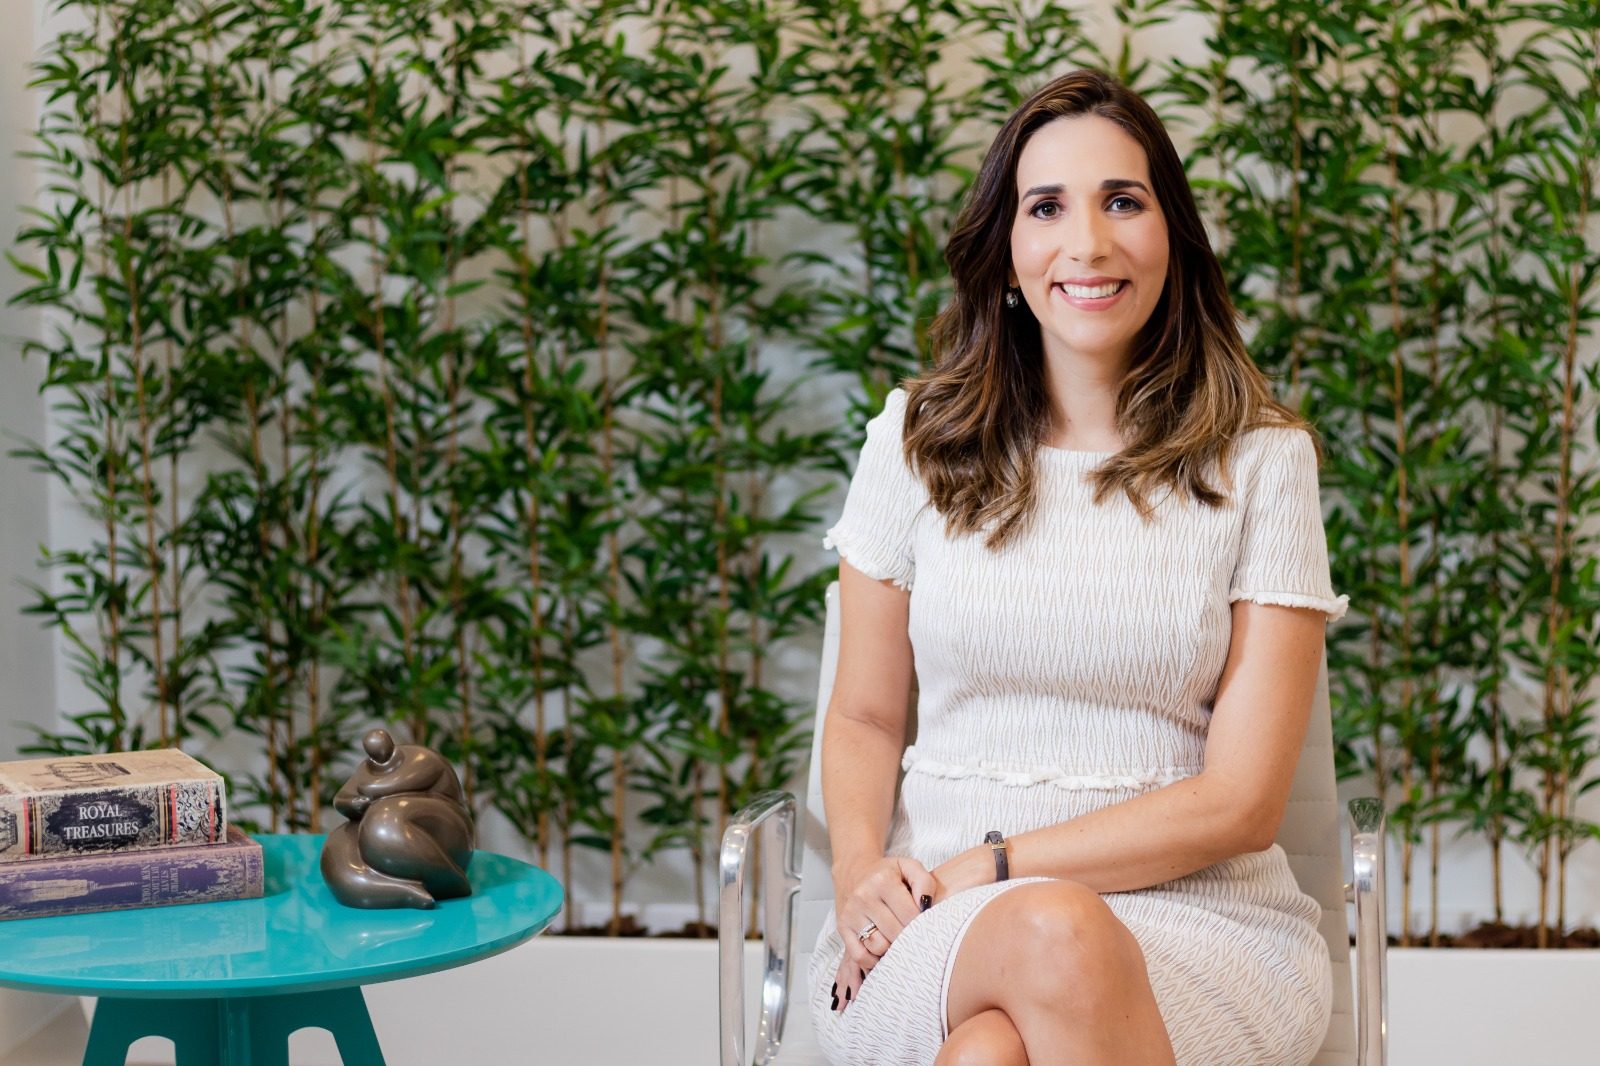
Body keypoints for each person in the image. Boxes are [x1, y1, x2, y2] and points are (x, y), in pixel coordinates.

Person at [806, 67, 1347, 1066]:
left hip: (1203, 924)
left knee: (996, 1042)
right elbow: (866, 717)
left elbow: (1241, 802)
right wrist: (857, 878)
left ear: (1172, 236)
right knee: (1045, 941)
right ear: (1007, 250)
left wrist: (998, 866)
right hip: (935, 918)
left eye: (1123, 202)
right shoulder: (914, 441)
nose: (1088, 243)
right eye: (1047, 206)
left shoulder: (1262, 460)